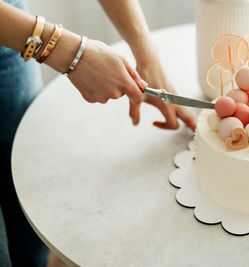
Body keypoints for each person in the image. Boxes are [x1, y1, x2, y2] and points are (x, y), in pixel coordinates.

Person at [0, 0, 196, 266]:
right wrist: (69, 53)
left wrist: (146, 55)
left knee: (27, 230)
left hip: (12, 35)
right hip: (27, 33)